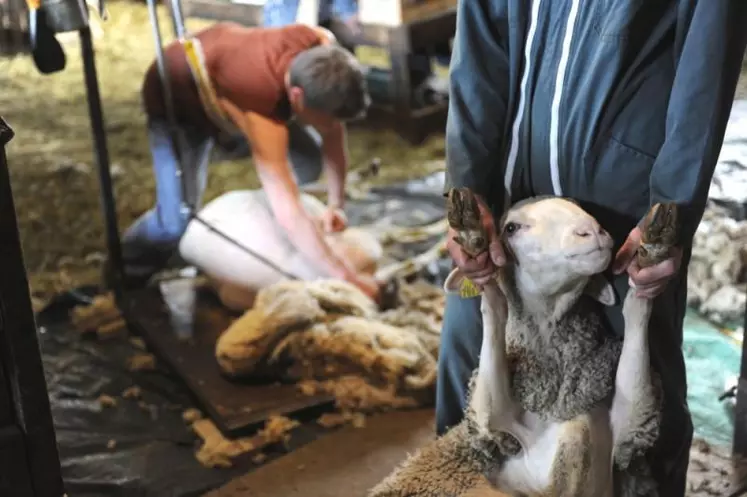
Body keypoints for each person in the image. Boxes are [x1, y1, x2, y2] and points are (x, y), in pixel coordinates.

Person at [437, 1, 747, 496]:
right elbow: (480, 43)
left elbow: (706, 66)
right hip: (509, 206)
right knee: (471, 376)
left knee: (641, 408)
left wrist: (672, 206)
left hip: (623, 213)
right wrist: (467, 184)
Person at [120, 22, 381, 302]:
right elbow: (287, 210)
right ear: (297, 98)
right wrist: (344, 278)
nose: (331, 126)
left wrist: (336, 204)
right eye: (325, 118)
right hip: (177, 93)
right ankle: (125, 271)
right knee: (175, 220)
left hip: (228, 71)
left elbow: (333, 131)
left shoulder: (323, 51)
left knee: (307, 159)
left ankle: (306, 237)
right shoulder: (262, 106)